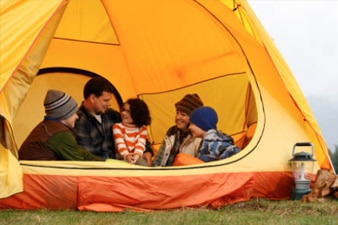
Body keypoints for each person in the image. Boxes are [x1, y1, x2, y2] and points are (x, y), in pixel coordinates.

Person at [74, 76, 153, 161]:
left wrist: (147, 151)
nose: (109, 104)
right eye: (106, 100)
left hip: (124, 163)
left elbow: (136, 129)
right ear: (93, 98)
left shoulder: (112, 115)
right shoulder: (79, 121)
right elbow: (88, 156)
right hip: (102, 169)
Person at [19, 89, 101, 161]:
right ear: (64, 114)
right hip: (36, 176)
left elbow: (79, 151)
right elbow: (79, 163)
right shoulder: (59, 134)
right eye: (73, 113)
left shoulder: (49, 127)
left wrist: (104, 163)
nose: (77, 116)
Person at [152, 94, 204, 166]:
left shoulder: (198, 137)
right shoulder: (172, 132)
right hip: (166, 173)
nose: (178, 117)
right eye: (177, 113)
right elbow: (159, 158)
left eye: (183, 114)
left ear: (193, 118)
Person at [113, 98, 151, 166]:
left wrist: (136, 156)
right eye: (123, 110)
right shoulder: (117, 127)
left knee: (142, 163)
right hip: (121, 156)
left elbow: (141, 144)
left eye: (128, 112)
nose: (124, 113)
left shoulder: (142, 129)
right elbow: (120, 143)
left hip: (136, 156)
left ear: (137, 114)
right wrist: (126, 155)